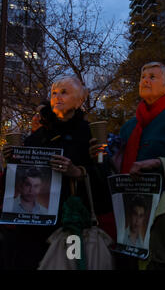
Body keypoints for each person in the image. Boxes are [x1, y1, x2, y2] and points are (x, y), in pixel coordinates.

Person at [90, 62, 165, 270]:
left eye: (152, 76)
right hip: (126, 222)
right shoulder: (130, 126)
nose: (145, 80)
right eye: (143, 77)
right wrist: (99, 157)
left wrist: (159, 164)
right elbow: (112, 173)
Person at [2, 76, 109, 269]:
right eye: (54, 93)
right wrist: (12, 162)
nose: (57, 97)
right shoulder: (38, 136)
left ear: (80, 100)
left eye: (64, 92)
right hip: (33, 227)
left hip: (69, 224)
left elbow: (104, 181)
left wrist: (77, 172)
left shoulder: (89, 135)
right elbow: (17, 181)